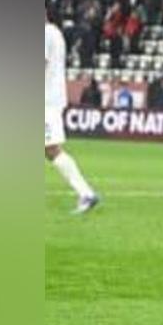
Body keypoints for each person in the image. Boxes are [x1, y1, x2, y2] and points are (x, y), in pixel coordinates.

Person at [45, 16, 100, 214]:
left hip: (45, 101)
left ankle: (86, 193)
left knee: (51, 149)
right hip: (50, 98)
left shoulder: (45, 33)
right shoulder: (55, 32)